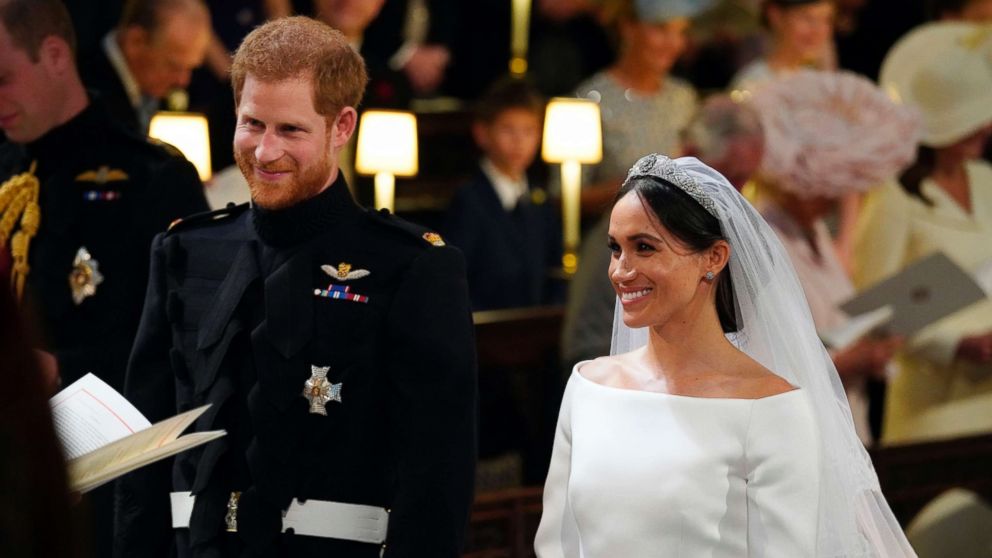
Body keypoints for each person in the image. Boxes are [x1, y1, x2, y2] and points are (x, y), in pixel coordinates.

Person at [114, 16, 477, 557]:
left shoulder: (412, 267)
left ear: (342, 126)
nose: (264, 152)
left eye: (290, 130)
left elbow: (436, 479)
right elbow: (142, 458)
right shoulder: (185, 251)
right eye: (252, 124)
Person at [537, 154, 916, 556]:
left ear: (714, 258)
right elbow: (557, 543)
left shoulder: (774, 408)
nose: (621, 270)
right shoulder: (588, 387)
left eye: (644, 248)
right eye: (616, 248)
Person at [748, 69, 919, 444]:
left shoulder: (816, 231)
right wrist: (850, 361)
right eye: (830, 186)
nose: (837, 196)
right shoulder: (760, 243)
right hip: (802, 441)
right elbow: (761, 372)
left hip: (845, 430)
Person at [856, 21, 992, 444]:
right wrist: (956, 345)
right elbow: (873, 308)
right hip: (933, 409)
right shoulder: (894, 196)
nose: (982, 128)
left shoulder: (986, 179)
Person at [561, 94, 763, 374]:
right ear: (692, 152)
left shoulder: (766, 394)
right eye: (730, 175)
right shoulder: (632, 215)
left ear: (715, 257)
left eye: (643, 248)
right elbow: (584, 339)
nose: (736, 192)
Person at [572, 0, 704, 215]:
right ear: (628, 27)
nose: (673, 43)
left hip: (677, 233)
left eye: (681, 32)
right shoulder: (590, 100)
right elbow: (564, 197)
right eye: (661, 29)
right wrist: (636, 184)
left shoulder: (683, 98)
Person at [443, 77, 561, 311]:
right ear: (482, 133)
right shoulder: (469, 200)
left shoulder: (539, 199)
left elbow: (552, 267)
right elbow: (457, 276)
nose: (519, 142)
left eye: (528, 131)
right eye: (508, 129)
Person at [79, 0, 211, 134]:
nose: (183, 81)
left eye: (190, 68)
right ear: (136, 42)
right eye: (173, 66)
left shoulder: (148, 89)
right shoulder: (86, 93)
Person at [730, 0, 836, 92]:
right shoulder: (752, 83)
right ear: (775, 15)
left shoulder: (820, 77)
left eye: (826, 20)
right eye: (807, 18)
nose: (818, 30)